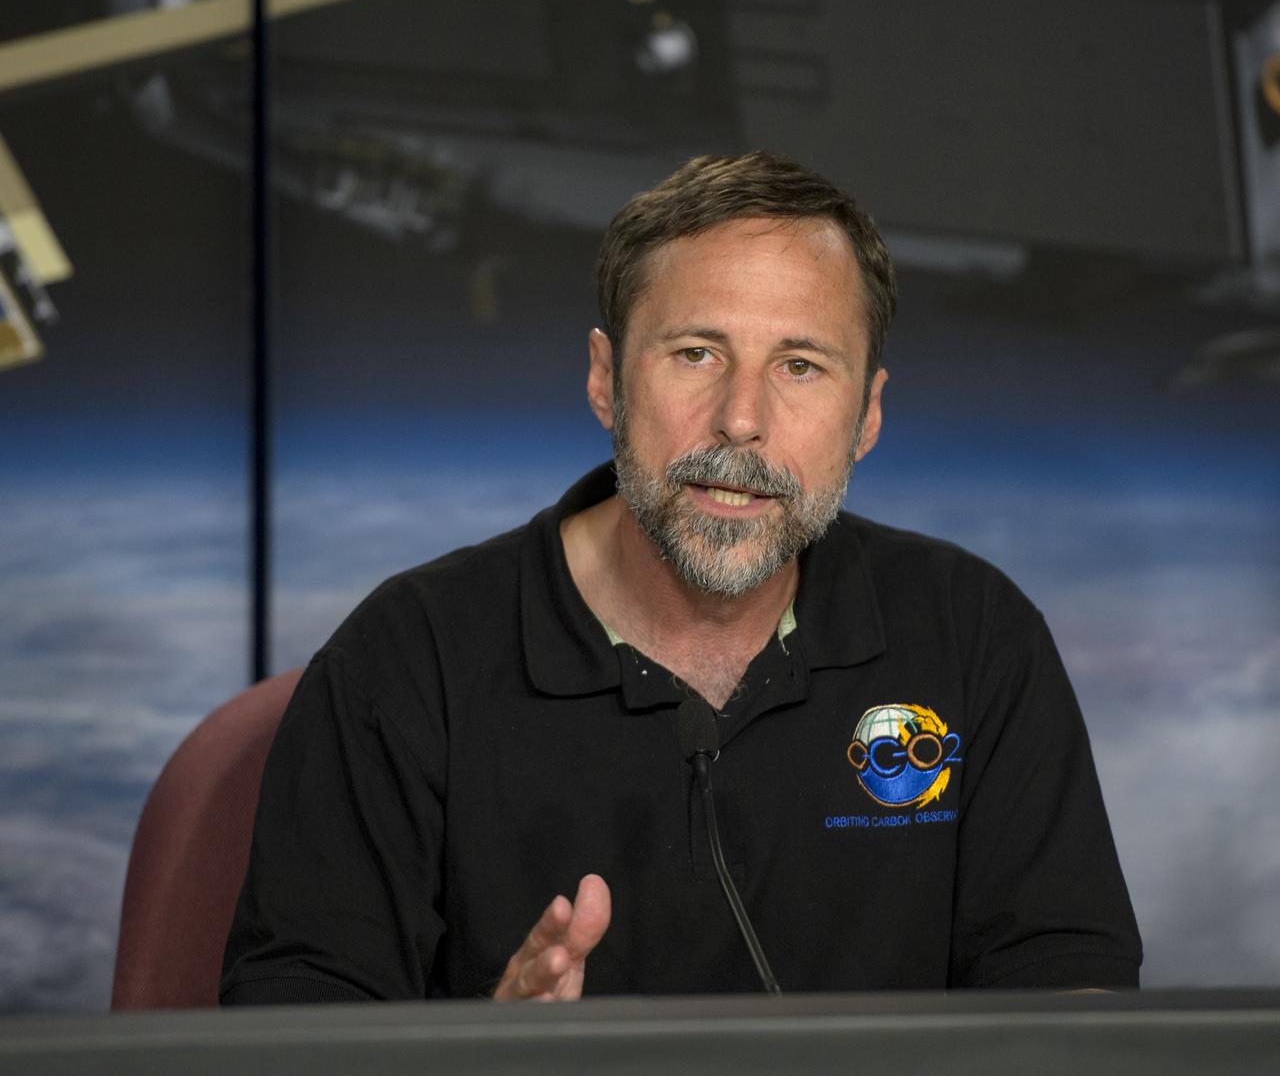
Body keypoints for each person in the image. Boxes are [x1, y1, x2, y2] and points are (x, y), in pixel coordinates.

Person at [221, 152, 1141, 1004]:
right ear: (605, 380)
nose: (741, 420)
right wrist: (481, 1057)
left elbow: (1073, 998)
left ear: (867, 416)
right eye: (696, 353)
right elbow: (292, 1030)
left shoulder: (973, 634)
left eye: (801, 366)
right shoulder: (409, 655)